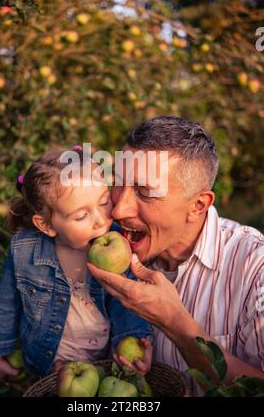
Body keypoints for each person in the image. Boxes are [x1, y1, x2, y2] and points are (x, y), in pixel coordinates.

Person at [87, 115, 264, 396]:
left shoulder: (255, 268)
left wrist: (174, 322)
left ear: (197, 205)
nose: (119, 210)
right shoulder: (99, 241)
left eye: (145, 192)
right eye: (118, 183)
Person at [0, 147, 153, 383]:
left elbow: (125, 301)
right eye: (82, 216)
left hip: (105, 359)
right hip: (49, 359)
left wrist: (134, 340)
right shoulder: (25, 250)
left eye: (104, 202)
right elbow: (6, 301)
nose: (100, 220)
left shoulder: (119, 243)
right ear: (46, 225)